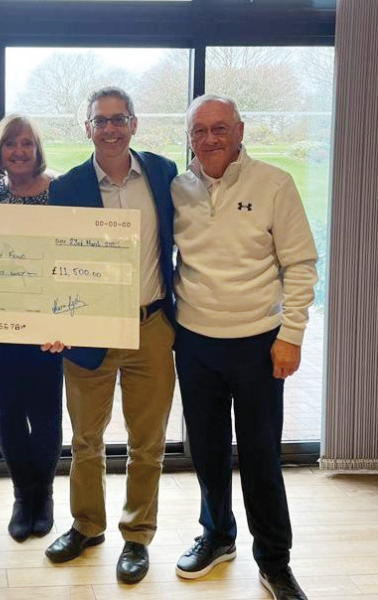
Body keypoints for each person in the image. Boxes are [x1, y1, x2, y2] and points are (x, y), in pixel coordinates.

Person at [172, 93, 317, 600]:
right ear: (189, 137)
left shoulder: (275, 184)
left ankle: (275, 561)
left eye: (219, 128)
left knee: (260, 457)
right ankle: (217, 536)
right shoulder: (178, 188)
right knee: (207, 452)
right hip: (193, 342)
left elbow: (299, 266)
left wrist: (291, 335)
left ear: (239, 130)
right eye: (199, 131)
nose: (209, 139)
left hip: (259, 345)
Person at [42, 87, 177, 585]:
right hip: (87, 327)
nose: (111, 129)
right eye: (101, 121)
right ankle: (87, 526)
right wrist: (54, 321)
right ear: (87, 130)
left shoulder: (164, 175)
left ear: (135, 124)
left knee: (148, 441)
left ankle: (137, 535)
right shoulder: (68, 185)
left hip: (152, 326)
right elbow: (53, 263)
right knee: (84, 439)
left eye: (119, 119)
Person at [0, 115, 63, 542]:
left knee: (46, 413)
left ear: (37, 149)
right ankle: (22, 495)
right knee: (9, 412)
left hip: (49, 322)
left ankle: (45, 496)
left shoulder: (60, 190)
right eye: (10, 143)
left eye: (27, 143)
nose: (19, 151)